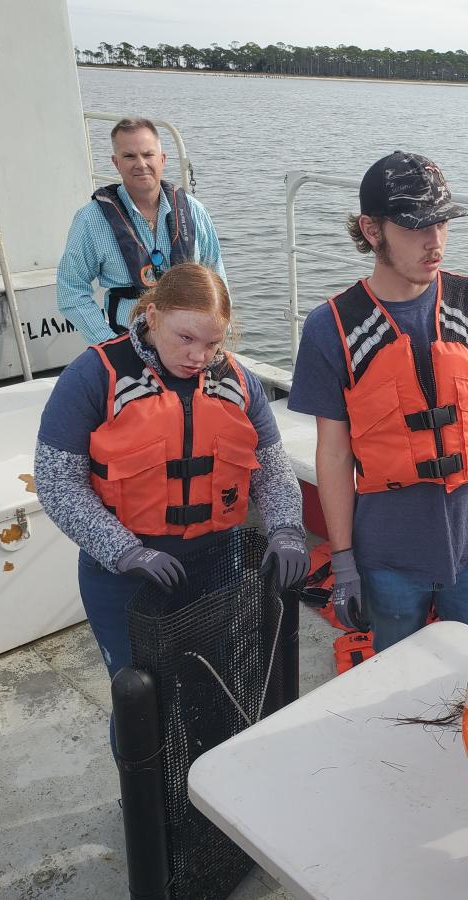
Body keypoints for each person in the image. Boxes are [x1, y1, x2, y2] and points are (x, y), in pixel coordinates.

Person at [287, 151, 468, 651]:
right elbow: (332, 455)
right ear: (371, 230)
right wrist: (344, 559)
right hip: (387, 560)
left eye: (441, 222)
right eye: (417, 226)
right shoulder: (330, 327)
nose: (435, 240)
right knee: (393, 681)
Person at [35, 262, 308, 696]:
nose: (198, 356)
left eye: (212, 343)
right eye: (185, 338)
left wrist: (287, 528)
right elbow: (56, 482)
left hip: (218, 566)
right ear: (154, 315)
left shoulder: (238, 382)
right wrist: (124, 551)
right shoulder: (92, 377)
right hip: (127, 579)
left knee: (215, 688)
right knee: (141, 698)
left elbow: (272, 469)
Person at [57, 116, 227, 344]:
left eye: (148, 155)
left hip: (190, 348)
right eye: (129, 156)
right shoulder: (91, 220)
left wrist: (213, 340)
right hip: (127, 342)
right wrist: (108, 343)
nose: (141, 164)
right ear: (116, 162)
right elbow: (70, 290)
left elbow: (218, 279)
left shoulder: (194, 212)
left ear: (163, 159)